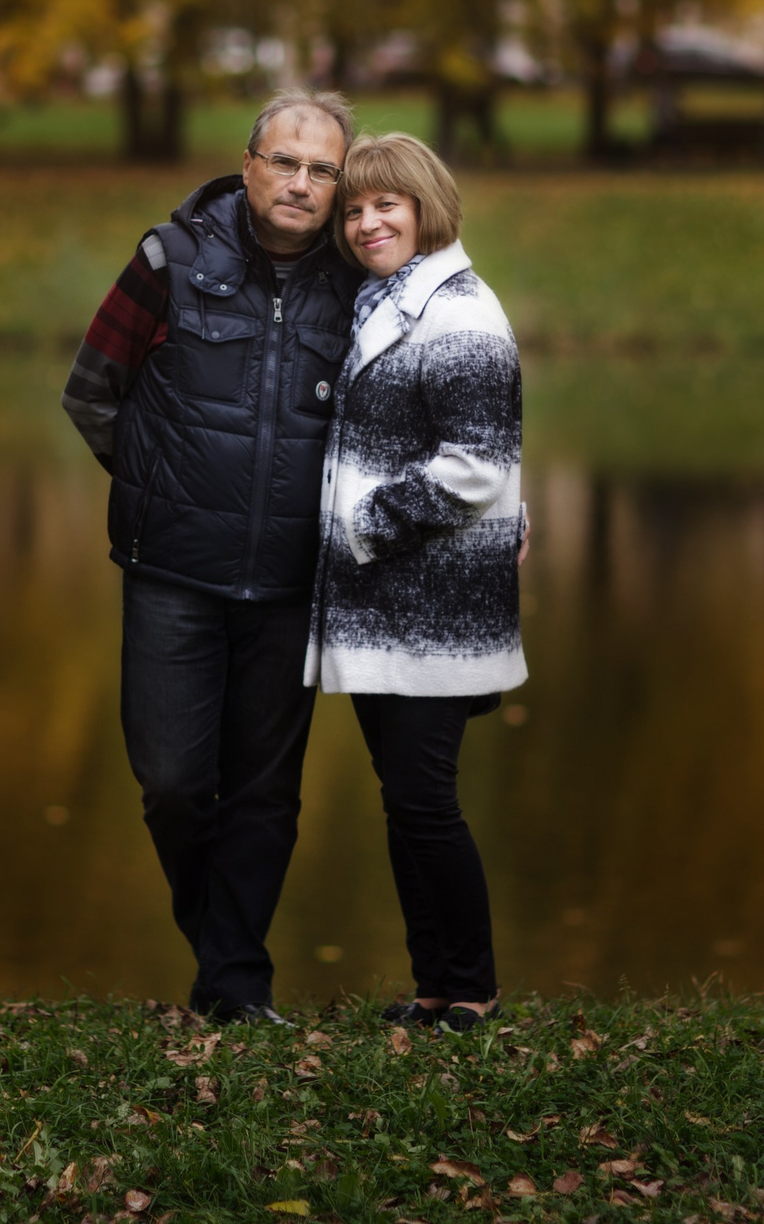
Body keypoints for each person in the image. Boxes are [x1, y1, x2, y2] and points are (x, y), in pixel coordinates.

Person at [62, 89, 363, 1022]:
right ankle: (227, 955)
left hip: (289, 582)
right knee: (174, 783)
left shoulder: (362, 280)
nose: (301, 183)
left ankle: (234, 987)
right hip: (172, 574)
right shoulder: (171, 258)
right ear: (248, 164)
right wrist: (167, 486)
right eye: (286, 161)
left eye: (323, 170)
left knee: (266, 794)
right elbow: (92, 394)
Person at [308, 132, 525, 1031]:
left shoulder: (462, 313)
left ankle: (471, 986)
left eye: (386, 204)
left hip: (433, 604)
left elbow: (479, 462)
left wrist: (362, 523)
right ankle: (433, 983)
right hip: (383, 606)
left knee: (425, 799)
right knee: (405, 800)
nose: (367, 223)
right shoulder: (381, 302)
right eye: (354, 209)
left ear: (427, 205)